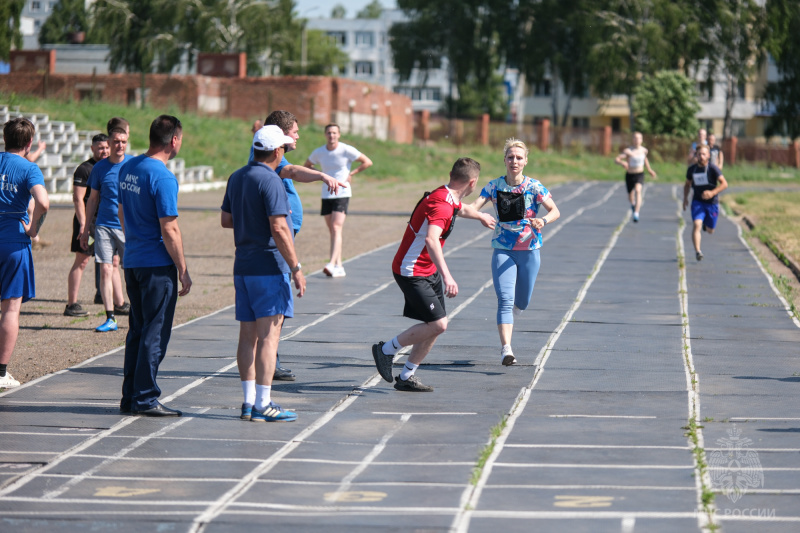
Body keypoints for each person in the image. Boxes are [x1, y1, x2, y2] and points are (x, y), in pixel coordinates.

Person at [371, 158, 495, 392]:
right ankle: (386, 350)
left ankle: (407, 375)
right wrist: (448, 276)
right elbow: (431, 239)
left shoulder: (448, 196)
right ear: (473, 182)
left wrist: (481, 216)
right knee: (438, 324)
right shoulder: (442, 205)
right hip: (411, 270)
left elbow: (463, 208)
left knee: (436, 325)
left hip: (427, 269)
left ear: (451, 175)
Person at [249, 110, 342, 381]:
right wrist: (322, 176)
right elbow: (290, 171)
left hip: (277, 240)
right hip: (274, 243)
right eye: (295, 132)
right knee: (273, 307)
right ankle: (268, 363)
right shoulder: (273, 159)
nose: (298, 136)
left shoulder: (274, 156)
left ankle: (269, 359)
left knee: (269, 308)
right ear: (280, 134)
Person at [222, 125, 306, 422]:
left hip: (243, 266)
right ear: (277, 150)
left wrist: (252, 221)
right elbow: (281, 227)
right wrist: (296, 268)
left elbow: (226, 219)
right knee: (269, 339)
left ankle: (248, 403)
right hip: (269, 267)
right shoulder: (271, 180)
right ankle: (263, 404)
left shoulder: (237, 176)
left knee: (247, 337)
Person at [117, 115, 192, 416]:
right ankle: (146, 398)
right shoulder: (162, 176)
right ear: (174, 140)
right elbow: (169, 228)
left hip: (133, 259)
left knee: (137, 330)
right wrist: (183, 269)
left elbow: (122, 212)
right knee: (154, 332)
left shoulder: (128, 168)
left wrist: (134, 239)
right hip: (156, 266)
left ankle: (130, 397)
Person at [468, 139, 560, 366]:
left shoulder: (535, 187)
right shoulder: (494, 186)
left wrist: (543, 220)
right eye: (510, 157)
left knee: (522, 301)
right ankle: (506, 350)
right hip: (503, 249)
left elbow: (555, 210)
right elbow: (472, 207)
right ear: (505, 160)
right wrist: (480, 216)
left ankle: (517, 309)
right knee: (505, 300)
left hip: (529, 249)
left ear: (526, 161)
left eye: (519, 157)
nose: (514, 161)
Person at [0, 118, 49, 389]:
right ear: (29, 144)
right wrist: (33, 229)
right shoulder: (29, 168)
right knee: (10, 308)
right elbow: (43, 201)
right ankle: (0, 372)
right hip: (12, 242)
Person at [304, 123, 372, 277]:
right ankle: (340, 266)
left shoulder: (346, 150)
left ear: (339, 135)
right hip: (326, 194)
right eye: (329, 133)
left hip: (342, 192)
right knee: (334, 231)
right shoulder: (319, 152)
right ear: (325, 135)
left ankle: (331, 263)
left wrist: (352, 174)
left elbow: (367, 162)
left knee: (336, 227)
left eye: (334, 133)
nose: (331, 135)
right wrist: (320, 174)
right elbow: (307, 165)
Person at [80, 127, 130, 332]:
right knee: (106, 269)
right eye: (116, 141)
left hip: (127, 228)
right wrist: (85, 229)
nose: (119, 145)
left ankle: (138, 314)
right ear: (109, 143)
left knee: (133, 271)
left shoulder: (134, 165)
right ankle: (110, 317)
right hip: (103, 226)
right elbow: (92, 199)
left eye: (123, 141)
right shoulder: (99, 168)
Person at [65, 133, 109, 317]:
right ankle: (71, 304)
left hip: (105, 221)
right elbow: (78, 199)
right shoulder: (84, 169)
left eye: (106, 147)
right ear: (92, 149)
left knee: (111, 261)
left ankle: (112, 301)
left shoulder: (111, 167)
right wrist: (83, 225)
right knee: (82, 261)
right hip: (87, 223)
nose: (104, 151)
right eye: (100, 148)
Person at [683, 144, 728, 261]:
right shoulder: (692, 169)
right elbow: (687, 184)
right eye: (699, 154)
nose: (701, 156)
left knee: (710, 230)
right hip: (698, 202)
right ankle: (698, 251)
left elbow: (724, 184)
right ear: (696, 155)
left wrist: (712, 193)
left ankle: (706, 225)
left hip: (712, 203)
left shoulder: (713, 168)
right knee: (696, 225)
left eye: (703, 154)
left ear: (708, 155)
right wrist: (685, 199)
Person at [614, 131, 657, 222]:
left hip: (639, 174)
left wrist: (649, 170)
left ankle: (636, 213)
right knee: (630, 196)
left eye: (639, 138)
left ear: (641, 140)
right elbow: (616, 159)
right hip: (630, 175)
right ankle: (633, 204)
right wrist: (622, 163)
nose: (637, 140)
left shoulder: (644, 150)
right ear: (632, 139)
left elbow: (645, 160)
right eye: (635, 138)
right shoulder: (628, 151)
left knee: (638, 190)